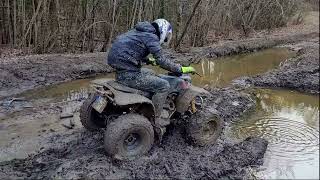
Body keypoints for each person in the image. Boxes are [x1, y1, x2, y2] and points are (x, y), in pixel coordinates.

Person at [107, 19, 195, 124]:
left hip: (121, 69)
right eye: (166, 36)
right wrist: (180, 69)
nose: (166, 39)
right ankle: (155, 117)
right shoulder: (151, 37)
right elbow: (162, 61)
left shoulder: (137, 31)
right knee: (163, 86)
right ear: (163, 31)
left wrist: (147, 60)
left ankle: (148, 99)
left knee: (150, 72)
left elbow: (129, 51)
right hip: (128, 74)